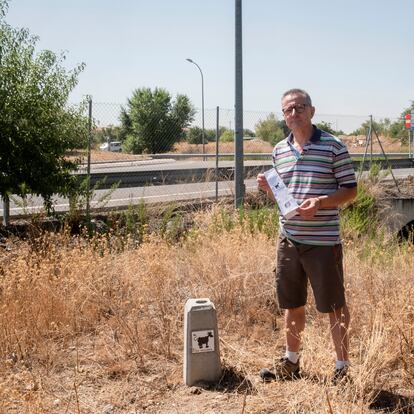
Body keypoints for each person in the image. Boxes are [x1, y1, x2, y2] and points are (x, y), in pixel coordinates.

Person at [257, 88, 357, 383]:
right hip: (288, 239)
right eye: (288, 110)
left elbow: (351, 190)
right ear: (284, 116)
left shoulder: (333, 146)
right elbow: (284, 197)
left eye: (299, 107)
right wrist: (269, 190)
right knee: (292, 303)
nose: (293, 113)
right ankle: (291, 363)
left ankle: (342, 368)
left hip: (323, 243)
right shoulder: (279, 150)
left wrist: (321, 203)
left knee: (334, 305)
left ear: (312, 111)